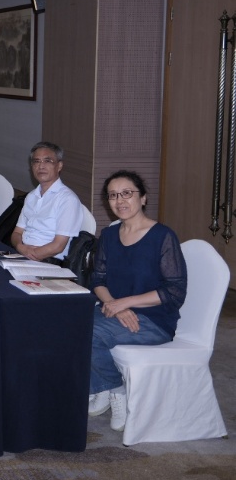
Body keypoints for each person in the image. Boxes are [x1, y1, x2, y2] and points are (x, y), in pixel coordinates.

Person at [88, 170, 187, 432]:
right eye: (113, 195)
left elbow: (174, 291)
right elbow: (97, 280)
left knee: (89, 332)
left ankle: (116, 390)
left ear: (143, 198)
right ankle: (103, 385)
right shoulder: (109, 235)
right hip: (114, 310)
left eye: (127, 193)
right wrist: (115, 305)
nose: (120, 200)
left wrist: (124, 303)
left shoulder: (162, 236)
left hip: (154, 320)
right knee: (67, 320)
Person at [10, 141, 83, 263]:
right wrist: (20, 247)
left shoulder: (67, 199)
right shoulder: (31, 196)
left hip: (49, 260)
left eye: (47, 161)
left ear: (59, 166)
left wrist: (30, 255)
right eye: (36, 161)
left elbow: (58, 246)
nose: (41, 166)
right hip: (24, 254)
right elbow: (17, 232)